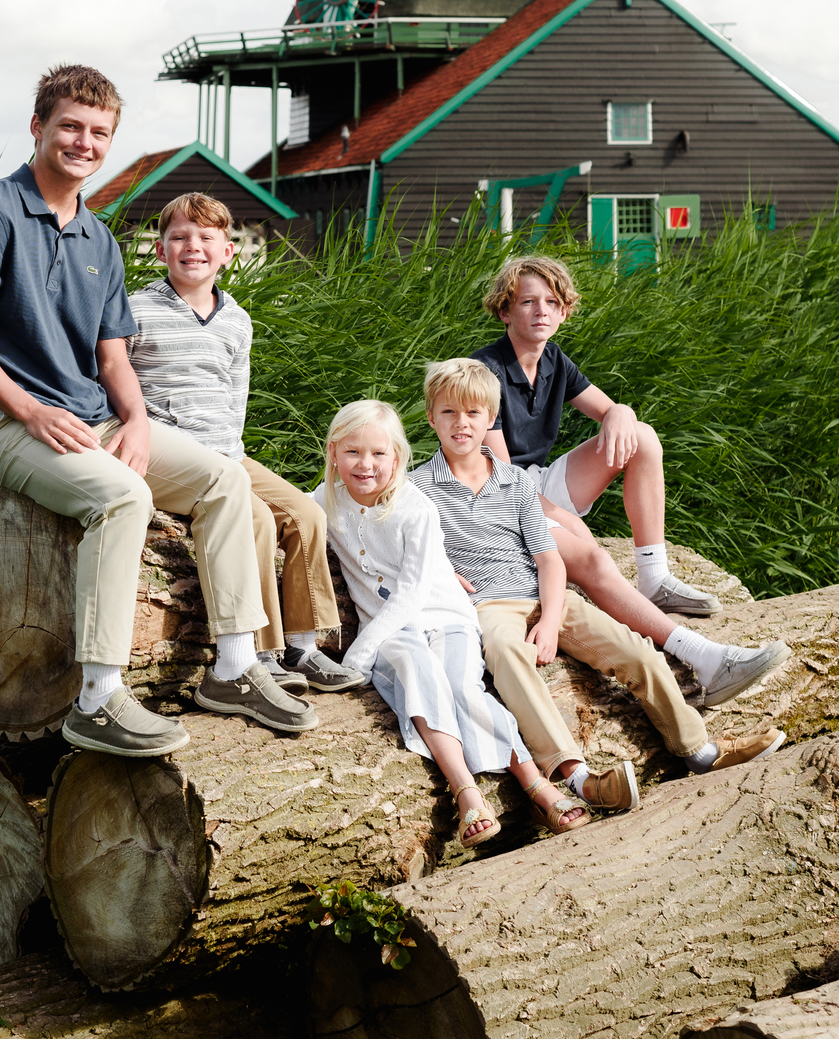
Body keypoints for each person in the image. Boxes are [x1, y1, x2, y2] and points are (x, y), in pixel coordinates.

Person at [0, 63, 315, 759]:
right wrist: (28, 409)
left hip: (94, 415)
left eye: (99, 132)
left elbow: (113, 359)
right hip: (4, 423)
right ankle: (98, 697)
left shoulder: (99, 239)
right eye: (70, 127)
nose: (84, 142)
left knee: (225, 481)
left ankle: (233, 667)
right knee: (119, 496)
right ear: (38, 128)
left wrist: (137, 421)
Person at [413, 358, 785, 812]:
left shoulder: (513, 482)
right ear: (431, 417)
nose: (461, 424)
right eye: (449, 413)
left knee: (635, 649)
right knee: (509, 656)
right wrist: (438, 569)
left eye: (473, 414)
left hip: (546, 595)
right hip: (486, 607)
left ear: (492, 419)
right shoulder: (417, 491)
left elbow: (549, 559)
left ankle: (698, 750)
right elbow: (393, 542)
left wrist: (550, 619)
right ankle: (579, 777)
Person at [473, 255, 789, 709]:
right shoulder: (485, 370)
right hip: (496, 500)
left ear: (564, 312)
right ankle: (704, 659)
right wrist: (565, 520)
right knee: (592, 558)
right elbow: (502, 480)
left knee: (641, 438)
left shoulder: (553, 360)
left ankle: (654, 575)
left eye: (552, 301)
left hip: (536, 482)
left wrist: (621, 413)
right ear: (505, 311)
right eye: (527, 301)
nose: (540, 310)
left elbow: (611, 411)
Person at [313, 397, 589, 848]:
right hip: (393, 632)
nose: (365, 465)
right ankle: (467, 792)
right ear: (333, 453)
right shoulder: (325, 499)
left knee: (463, 687)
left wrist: (359, 654)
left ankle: (537, 785)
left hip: (443, 616)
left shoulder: (414, 507)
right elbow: (284, 511)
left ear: (397, 458)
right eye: (352, 452)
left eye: (379, 454)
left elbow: (411, 594)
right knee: (417, 670)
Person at [126, 192, 364, 695]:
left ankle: (303, 645)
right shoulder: (135, 311)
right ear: (159, 250)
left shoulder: (236, 320)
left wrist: (234, 457)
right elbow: (115, 386)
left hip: (228, 452)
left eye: (207, 238)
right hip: (175, 454)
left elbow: (236, 398)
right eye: (180, 238)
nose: (194, 247)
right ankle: (260, 651)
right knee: (254, 519)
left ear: (228, 251)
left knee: (306, 515)